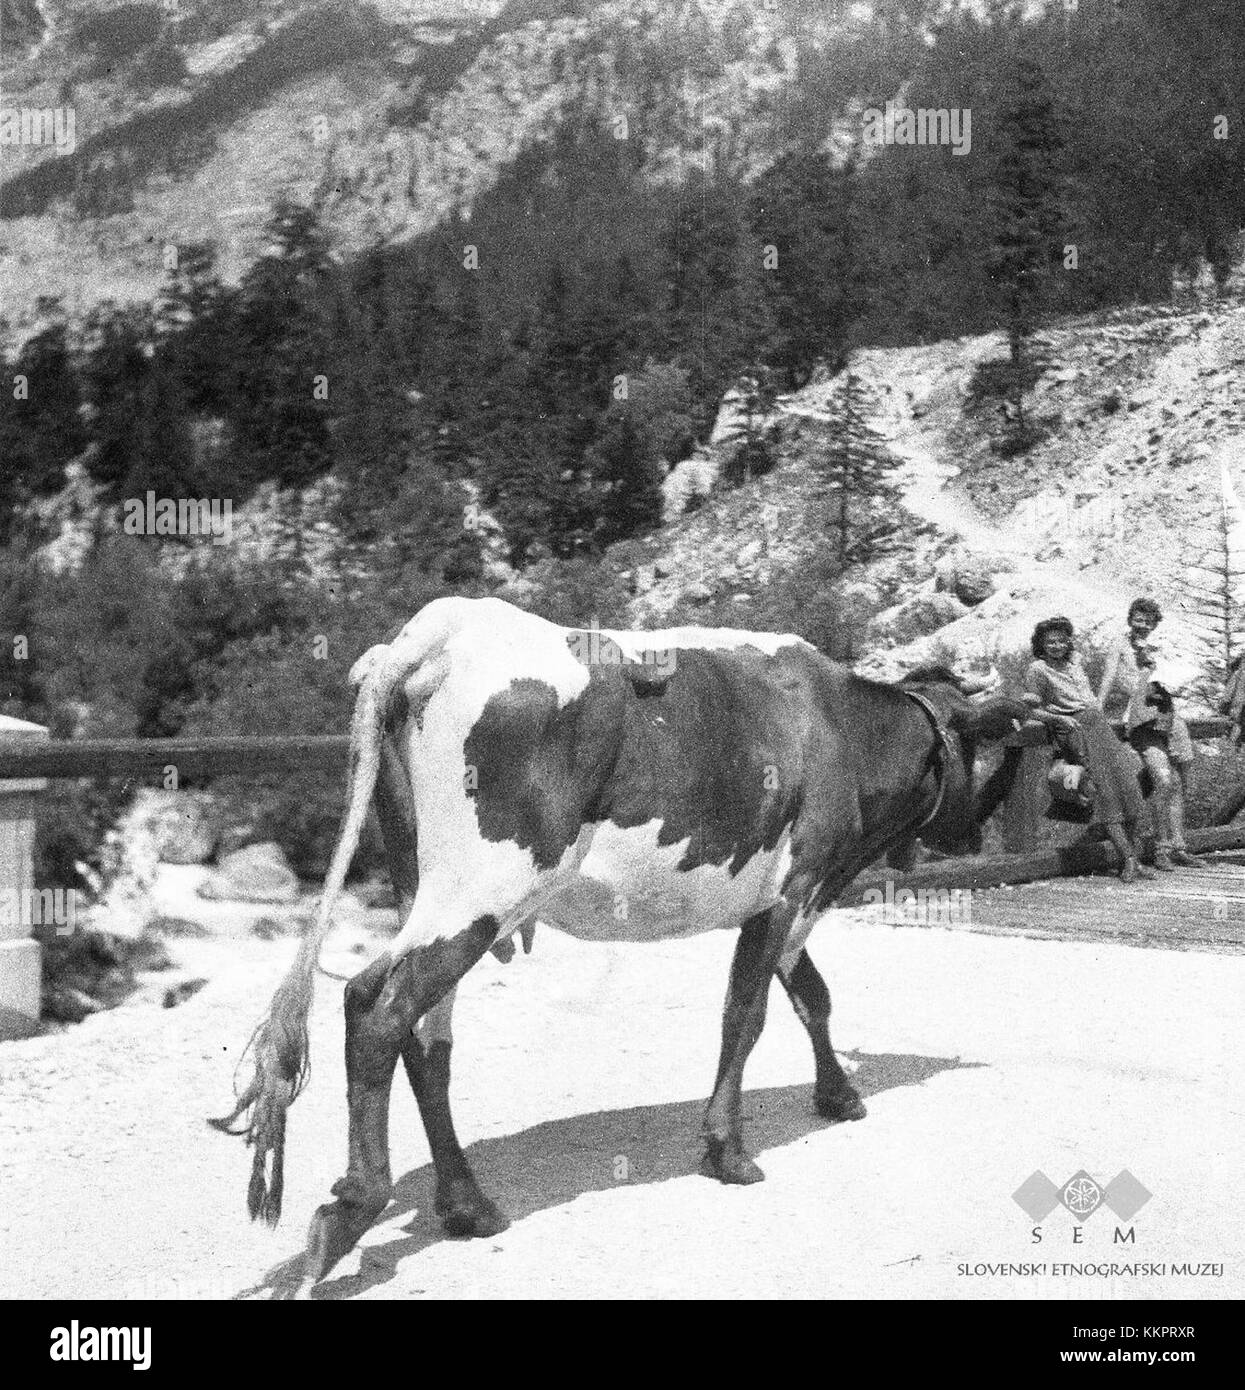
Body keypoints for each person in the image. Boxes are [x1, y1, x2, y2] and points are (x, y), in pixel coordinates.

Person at [1023, 616, 1153, 883]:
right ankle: (1126, 859)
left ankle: (1137, 860)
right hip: (1076, 731)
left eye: (1061, 640)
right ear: (1041, 644)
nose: (1057, 646)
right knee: (1106, 795)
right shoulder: (1038, 669)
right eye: (1050, 642)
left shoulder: (1076, 661)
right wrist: (1058, 719)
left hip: (1101, 726)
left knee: (1129, 787)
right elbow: (1030, 709)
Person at [1096, 598, 1198, 871]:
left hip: (1170, 719)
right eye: (1138, 620)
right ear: (1130, 619)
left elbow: (1169, 683)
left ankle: (1179, 846)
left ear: (1154, 624)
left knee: (1177, 783)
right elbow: (1108, 678)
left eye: (1148, 622)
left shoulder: (1156, 646)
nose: (1142, 626)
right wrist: (1097, 709)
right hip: (1143, 720)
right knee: (1162, 782)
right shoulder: (1120, 645)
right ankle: (1160, 849)